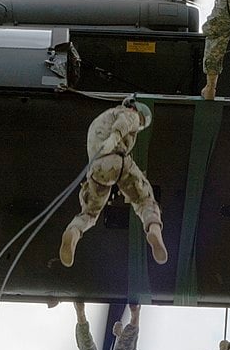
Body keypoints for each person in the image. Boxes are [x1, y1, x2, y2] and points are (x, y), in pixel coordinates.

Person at [59, 96, 168, 268]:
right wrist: (115, 138)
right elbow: (126, 121)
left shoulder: (99, 120)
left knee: (89, 212)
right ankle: (154, 229)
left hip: (97, 170)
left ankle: (73, 232)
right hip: (117, 160)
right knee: (144, 199)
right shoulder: (128, 113)